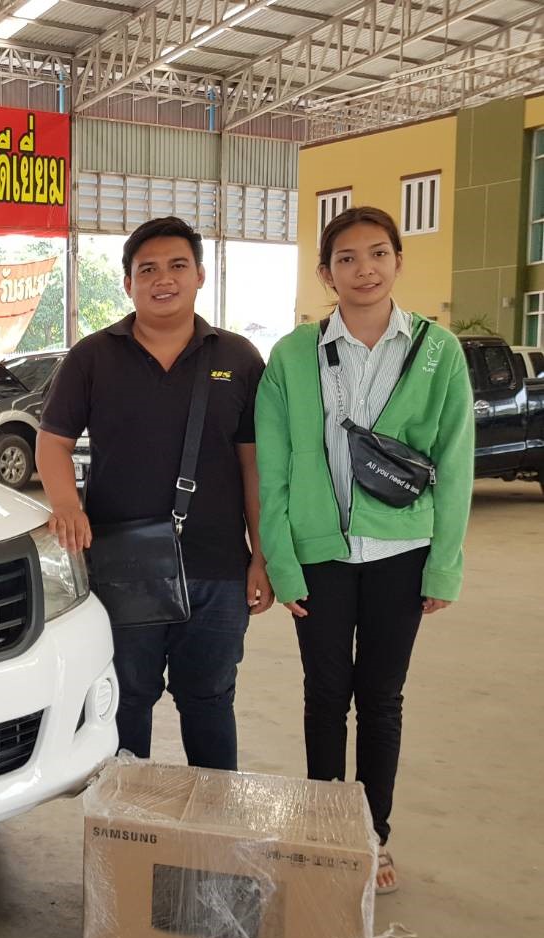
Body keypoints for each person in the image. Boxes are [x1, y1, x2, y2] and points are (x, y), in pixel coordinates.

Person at [256, 206, 473, 894]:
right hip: (318, 555)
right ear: (326, 274)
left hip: (401, 552)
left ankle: (373, 837)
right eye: (345, 258)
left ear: (397, 261)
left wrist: (443, 564)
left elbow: (455, 462)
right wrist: (282, 560)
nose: (364, 269)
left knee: (380, 699)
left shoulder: (437, 351)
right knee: (324, 697)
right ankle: (324, 832)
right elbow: (273, 469)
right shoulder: (293, 355)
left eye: (377, 253)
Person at [37, 216, 272, 771]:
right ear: (128, 283)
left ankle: (214, 816)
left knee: (209, 700)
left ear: (200, 275)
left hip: (218, 568)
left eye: (177, 266)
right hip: (123, 566)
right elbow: (52, 442)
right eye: (147, 270)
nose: (163, 279)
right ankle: (124, 821)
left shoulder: (237, 358)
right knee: (126, 698)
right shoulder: (93, 356)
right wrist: (66, 505)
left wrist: (262, 557)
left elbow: (255, 466)